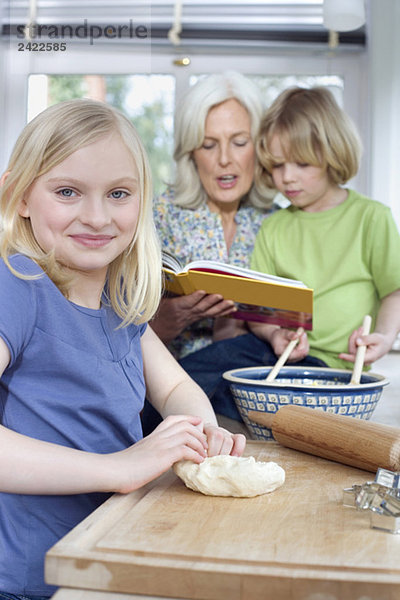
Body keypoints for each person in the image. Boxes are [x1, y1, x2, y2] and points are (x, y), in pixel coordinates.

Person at [0, 98, 246, 598]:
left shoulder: (119, 300)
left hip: (107, 562)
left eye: (118, 193)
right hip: (34, 583)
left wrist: (202, 430)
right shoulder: (17, 283)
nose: (97, 216)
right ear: (19, 196)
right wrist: (121, 467)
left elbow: (175, 385)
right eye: (67, 192)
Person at [178, 86, 400, 402]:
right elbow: (257, 311)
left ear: (332, 156)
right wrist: (275, 334)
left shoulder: (372, 218)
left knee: (233, 394)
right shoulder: (274, 226)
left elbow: (395, 291)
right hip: (271, 350)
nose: (288, 178)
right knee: (192, 372)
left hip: (332, 366)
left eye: (302, 165)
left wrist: (384, 336)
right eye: (278, 165)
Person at [142, 71, 276, 432]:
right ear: (191, 152)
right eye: (208, 144)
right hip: (174, 390)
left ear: (260, 147)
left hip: (256, 388)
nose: (225, 160)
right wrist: (165, 323)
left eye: (239, 142)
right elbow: (118, 328)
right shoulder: (158, 215)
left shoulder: (278, 221)